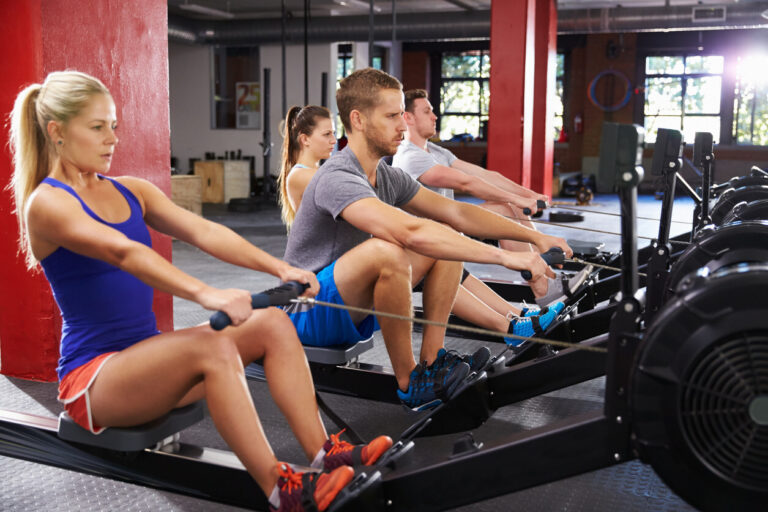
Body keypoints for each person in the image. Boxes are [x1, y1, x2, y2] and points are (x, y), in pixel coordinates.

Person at [7, 70, 393, 512]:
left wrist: (280, 266)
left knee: (271, 322)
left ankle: (326, 454)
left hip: (148, 362)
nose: (111, 138)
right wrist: (207, 294)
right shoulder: (48, 203)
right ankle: (279, 489)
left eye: (113, 125)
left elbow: (204, 231)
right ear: (57, 132)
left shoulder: (131, 190)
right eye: (96, 127)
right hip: (95, 381)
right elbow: (123, 253)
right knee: (212, 348)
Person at [280, 68, 574, 412]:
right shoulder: (337, 176)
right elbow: (408, 232)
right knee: (388, 250)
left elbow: (456, 213)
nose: (402, 127)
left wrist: (533, 238)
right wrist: (507, 258)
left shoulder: (386, 175)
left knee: (445, 238)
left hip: (351, 307)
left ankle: (431, 361)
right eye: (391, 117)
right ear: (357, 120)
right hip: (309, 311)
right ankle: (409, 383)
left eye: (401, 116)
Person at [278, 104, 561, 344]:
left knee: (441, 247)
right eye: (326, 134)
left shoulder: (340, 172)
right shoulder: (308, 176)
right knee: (426, 248)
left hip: (352, 263)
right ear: (304, 139)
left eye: (333, 134)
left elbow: (459, 203)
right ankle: (509, 325)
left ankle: (514, 318)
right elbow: (360, 201)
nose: (333, 141)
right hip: (329, 279)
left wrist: (526, 217)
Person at [394, 89, 592, 307]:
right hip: (428, 237)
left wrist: (528, 195)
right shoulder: (409, 156)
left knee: (510, 209)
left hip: (450, 224)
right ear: (408, 118)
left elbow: (485, 175)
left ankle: (550, 277)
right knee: (507, 209)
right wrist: (517, 200)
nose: (434, 116)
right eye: (427, 112)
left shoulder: (436, 151)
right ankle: (544, 286)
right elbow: (466, 183)